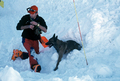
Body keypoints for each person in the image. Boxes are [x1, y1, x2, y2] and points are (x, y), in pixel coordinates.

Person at [11, 5, 47, 72]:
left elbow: (45, 30)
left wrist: (37, 24)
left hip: (35, 40)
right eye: (30, 13)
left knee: (35, 54)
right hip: (26, 39)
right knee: (32, 51)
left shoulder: (40, 20)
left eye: (32, 13)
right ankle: (34, 66)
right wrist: (28, 26)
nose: (31, 15)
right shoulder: (25, 18)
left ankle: (19, 53)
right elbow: (18, 27)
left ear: (36, 13)